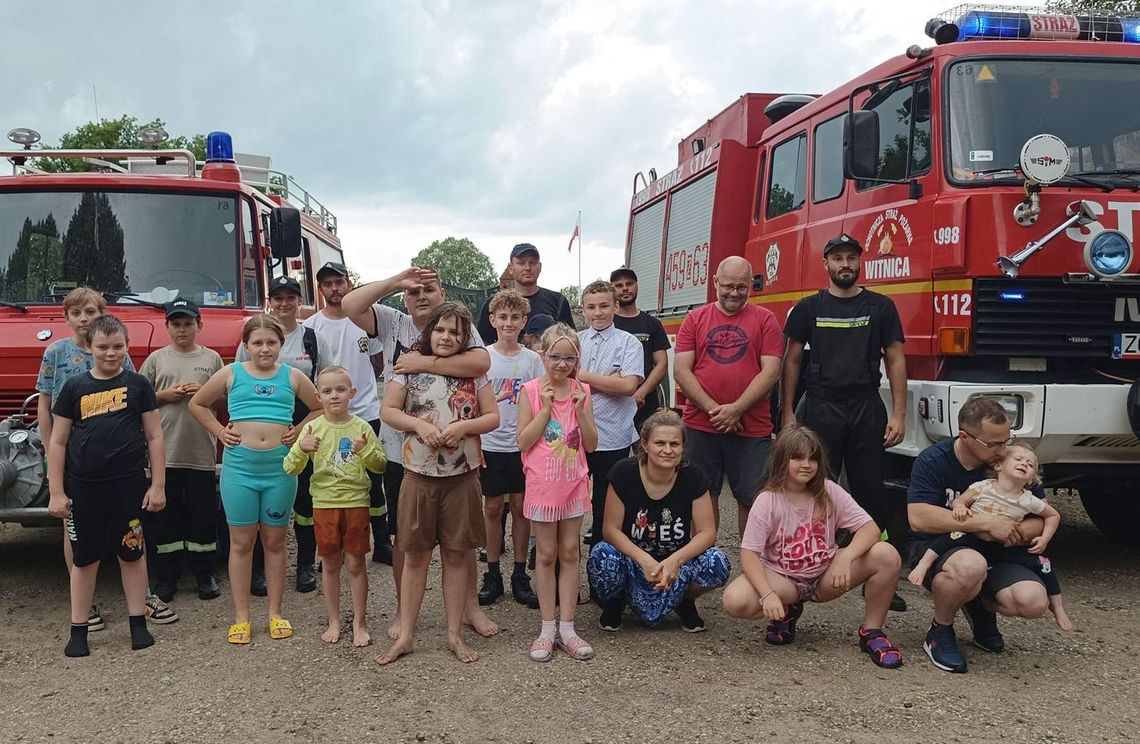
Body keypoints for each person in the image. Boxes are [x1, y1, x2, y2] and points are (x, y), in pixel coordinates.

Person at [342, 266, 498, 642]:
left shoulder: (458, 323)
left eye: (429, 289)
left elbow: (480, 364)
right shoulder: (391, 320)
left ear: (443, 293)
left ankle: (469, 608)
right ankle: (403, 611)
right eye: (414, 292)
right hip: (405, 455)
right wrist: (396, 282)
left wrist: (422, 362)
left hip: (458, 460)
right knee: (406, 540)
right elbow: (350, 303)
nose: (422, 296)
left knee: (460, 541)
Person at [781, 233, 909, 612]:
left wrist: (899, 412)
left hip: (866, 406)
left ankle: (879, 573)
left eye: (851, 258)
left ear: (860, 262)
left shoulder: (881, 307)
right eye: (837, 258)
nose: (845, 265)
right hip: (820, 406)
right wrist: (788, 413)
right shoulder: (808, 307)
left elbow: (897, 360)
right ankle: (805, 567)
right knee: (813, 487)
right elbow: (790, 361)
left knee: (871, 491)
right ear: (826, 264)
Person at [36, 287, 176, 631]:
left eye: (92, 313)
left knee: (130, 534)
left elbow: (133, 395)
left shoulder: (116, 351)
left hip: (120, 464)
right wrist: (50, 451)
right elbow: (45, 404)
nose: (85, 319)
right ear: (67, 318)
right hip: (75, 458)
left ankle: (142, 598)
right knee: (76, 535)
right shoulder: (56, 352)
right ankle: (84, 605)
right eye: (77, 313)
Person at [375, 303, 499, 665]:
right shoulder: (408, 367)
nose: (447, 337)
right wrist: (419, 426)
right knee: (415, 555)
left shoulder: (474, 374)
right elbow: (389, 410)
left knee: (457, 555)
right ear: (429, 331)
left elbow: (492, 416)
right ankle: (408, 636)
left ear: (465, 337)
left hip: (462, 476)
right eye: (441, 330)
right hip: (419, 473)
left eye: (455, 332)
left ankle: (454, 635)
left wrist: (464, 426)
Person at [721, 425, 904, 669]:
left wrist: (845, 556)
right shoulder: (768, 500)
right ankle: (786, 611)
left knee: (887, 555)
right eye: (797, 457)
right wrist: (768, 594)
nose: (806, 464)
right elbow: (749, 555)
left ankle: (872, 632)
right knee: (735, 600)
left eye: (812, 458)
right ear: (781, 461)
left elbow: (870, 528)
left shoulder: (828, 490)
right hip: (784, 579)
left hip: (825, 576)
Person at [189, 314, 321, 645]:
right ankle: (241, 617)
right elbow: (198, 403)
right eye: (257, 343)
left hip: (280, 471)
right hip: (240, 471)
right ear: (246, 346)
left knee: (275, 543)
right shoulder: (231, 373)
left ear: (281, 345)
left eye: (271, 342)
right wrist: (220, 431)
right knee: (241, 543)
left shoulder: (292, 376)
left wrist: (299, 429)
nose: (264, 348)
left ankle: (276, 613)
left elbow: (318, 409)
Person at [908, 397, 1053, 673]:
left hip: (999, 551)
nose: (1003, 450)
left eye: (1007, 440)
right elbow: (918, 517)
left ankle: (975, 604)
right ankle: (940, 631)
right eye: (994, 444)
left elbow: (1042, 517)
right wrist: (983, 523)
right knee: (969, 566)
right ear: (965, 436)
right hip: (942, 548)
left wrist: (1012, 529)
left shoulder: (1009, 460)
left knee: (1033, 602)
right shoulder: (934, 460)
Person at [587, 410, 729, 632]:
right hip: (633, 562)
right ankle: (616, 599)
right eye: (659, 443)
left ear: (683, 447)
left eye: (675, 444)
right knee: (602, 555)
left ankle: (684, 600)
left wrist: (676, 560)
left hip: (676, 566)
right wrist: (643, 559)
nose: (667, 450)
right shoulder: (624, 473)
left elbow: (707, 532)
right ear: (644, 444)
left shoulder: (694, 476)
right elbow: (610, 529)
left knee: (717, 561)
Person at [907, 442, 1070, 630]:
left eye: (1030, 464)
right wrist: (961, 508)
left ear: (1032, 478)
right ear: (998, 466)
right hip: (972, 536)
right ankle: (924, 568)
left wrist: (1044, 538)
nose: (1024, 464)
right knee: (949, 538)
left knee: (1043, 564)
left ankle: (1056, 607)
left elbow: (1052, 515)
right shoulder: (983, 487)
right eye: (1018, 460)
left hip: (1002, 545)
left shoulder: (1028, 498)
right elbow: (960, 500)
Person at [674, 257, 782, 537]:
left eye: (742, 287)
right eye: (728, 286)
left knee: (752, 498)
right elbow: (681, 371)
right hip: (701, 424)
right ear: (715, 283)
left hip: (752, 426)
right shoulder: (694, 319)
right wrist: (716, 410)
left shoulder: (766, 320)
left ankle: (752, 570)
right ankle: (702, 565)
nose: (734, 293)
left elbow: (771, 371)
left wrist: (737, 409)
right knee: (702, 495)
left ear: (751, 287)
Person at [284, 366, 387, 647]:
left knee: (355, 563)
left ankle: (359, 622)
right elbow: (290, 468)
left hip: (356, 504)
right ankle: (334, 620)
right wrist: (301, 448)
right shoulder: (311, 428)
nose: (334, 396)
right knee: (330, 563)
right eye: (327, 391)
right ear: (318, 396)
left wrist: (364, 450)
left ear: (352, 393)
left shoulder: (362, 427)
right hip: (324, 506)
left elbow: (380, 464)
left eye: (340, 390)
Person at [517, 324, 598, 662]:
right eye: (555, 356)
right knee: (546, 554)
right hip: (542, 486)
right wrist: (547, 409)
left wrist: (579, 410)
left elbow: (592, 445)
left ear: (577, 359)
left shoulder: (584, 391)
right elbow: (522, 441)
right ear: (543, 355)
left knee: (570, 552)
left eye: (570, 358)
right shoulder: (532, 390)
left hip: (574, 486)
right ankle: (546, 627)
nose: (562, 364)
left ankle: (568, 626)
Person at [237, 276, 322, 595]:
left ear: (299, 301)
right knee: (262, 506)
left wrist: (301, 431)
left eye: (291, 297)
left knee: (304, 503)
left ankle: (304, 567)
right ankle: (258, 572)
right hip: (263, 429)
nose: (284, 303)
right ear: (269, 301)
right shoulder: (253, 334)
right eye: (278, 297)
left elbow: (322, 388)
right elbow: (237, 384)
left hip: (303, 429)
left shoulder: (312, 338)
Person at [302, 262, 389, 565]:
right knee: (330, 474)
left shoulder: (364, 320)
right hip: (327, 417)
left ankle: (381, 543)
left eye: (339, 282)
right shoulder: (311, 326)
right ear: (321, 289)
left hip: (365, 411)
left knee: (372, 479)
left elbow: (377, 361)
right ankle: (330, 543)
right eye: (328, 284)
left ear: (348, 284)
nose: (335, 289)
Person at [139, 298, 224, 602]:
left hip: (200, 453)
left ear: (199, 325)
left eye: (188, 323)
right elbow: (139, 399)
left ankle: (205, 575)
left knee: (202, 517)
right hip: (165, 456)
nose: (182, 329)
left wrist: (202, 396)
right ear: (167, 327)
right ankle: (167, 577)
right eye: (176, 324)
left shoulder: (212, 359)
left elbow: (223, 399)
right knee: (165, 519)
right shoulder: (156, 359)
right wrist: (166, 394)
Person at [478, 289, 543, 609]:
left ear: (523, 322)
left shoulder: (533, 361)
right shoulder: (483, 358)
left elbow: (543, 401)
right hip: (490, 443)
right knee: (492, 509)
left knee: (520, 509)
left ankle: (519, 573)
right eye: (502, 317)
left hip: (522, 445)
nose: (508, 322)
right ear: (492, 320)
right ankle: (492, 573)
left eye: (515, 317)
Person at [576, 280, 643, 547]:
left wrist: (583, 377)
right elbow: (562, 381)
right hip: (577, 433)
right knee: (572, 500)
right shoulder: (576, 342)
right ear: (583, 310)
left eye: (604, 305)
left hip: (613, 435)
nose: (598, 312)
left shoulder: (628, 343)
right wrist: (608, 383)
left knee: (605, 504)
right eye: (591, 307)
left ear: (615, 306)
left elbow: (628, 386)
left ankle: (602, 567)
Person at [610, 268, 671, 434]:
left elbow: (661, 363)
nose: (625, 288)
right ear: (612, 290)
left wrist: (640, 393)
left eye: (629, 284)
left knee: (646, 455)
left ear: (637, 286)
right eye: (619, 285)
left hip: (645, 403)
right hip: (613, 404)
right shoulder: (607, 325)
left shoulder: (652, 324)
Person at [476, 243, 574, 344]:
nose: (527, 267)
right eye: (521, 263)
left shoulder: (558, 301)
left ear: (540, 267)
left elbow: (570, 340)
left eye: (532, 262)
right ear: (511, 268)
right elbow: (482, 343)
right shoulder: (495, 303)